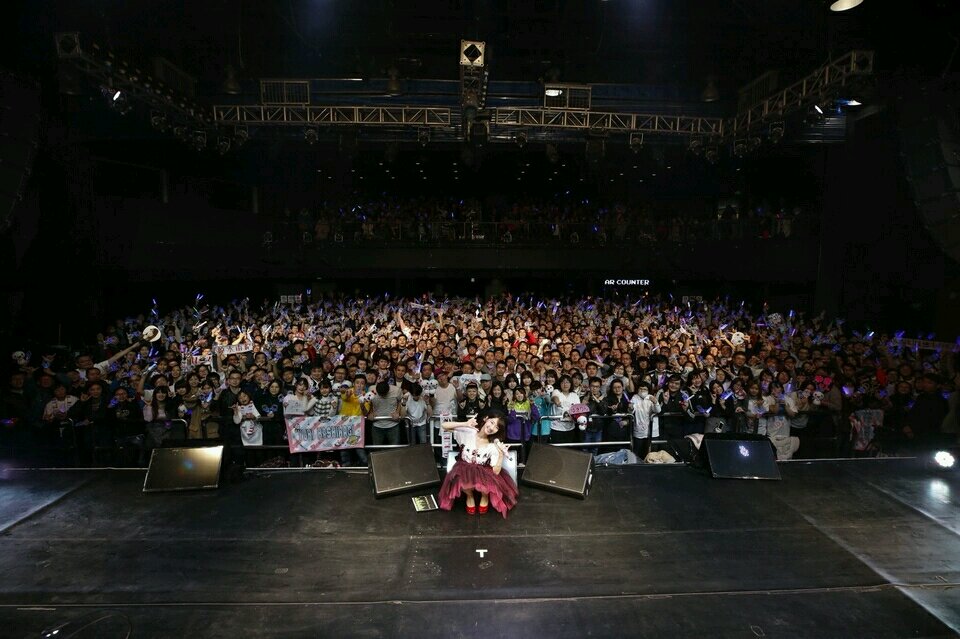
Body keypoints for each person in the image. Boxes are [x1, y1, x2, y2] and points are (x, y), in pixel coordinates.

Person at [437, 411, 518, 517]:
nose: (492, 428)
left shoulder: (493, 445)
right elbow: (444, 425)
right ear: (486, 419)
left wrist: (501, 455)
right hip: (464, 468)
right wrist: (465, 424)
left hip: (484, 470)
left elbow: (496, 472)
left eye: (496, 427)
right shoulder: (469, 432)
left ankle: (485, 496)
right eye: (492, 422)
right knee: (461, 481)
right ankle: (470, 496)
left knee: (487, 485)